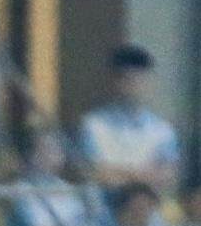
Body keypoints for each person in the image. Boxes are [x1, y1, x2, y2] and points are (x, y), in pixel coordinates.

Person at [76, 44, 182, 204]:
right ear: (114, 81)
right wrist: (142, 177)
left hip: (147, 214)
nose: (134, 86)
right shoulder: (92, 125)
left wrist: (120, 175)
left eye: (139, 80)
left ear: (150, 82)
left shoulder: (163, 131)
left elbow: (167, 176)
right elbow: (93, 172)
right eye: (126, 79)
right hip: (102, 213)